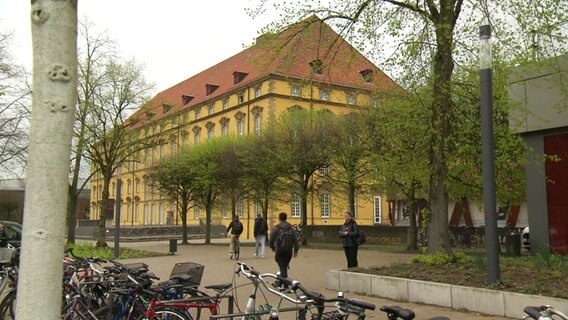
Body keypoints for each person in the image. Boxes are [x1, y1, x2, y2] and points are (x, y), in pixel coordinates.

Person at [269, 212, 300, 288]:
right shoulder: (291, 228)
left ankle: (285, 284)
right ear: (286, 218)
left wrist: (272, 247)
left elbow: (271, 239)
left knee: (282, 266)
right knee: (284, 266)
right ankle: (281, 281)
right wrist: (295, 251)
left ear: (279, 218)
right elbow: (296, 240)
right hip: (288, 250)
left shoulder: (276, 228)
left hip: (279, 250)